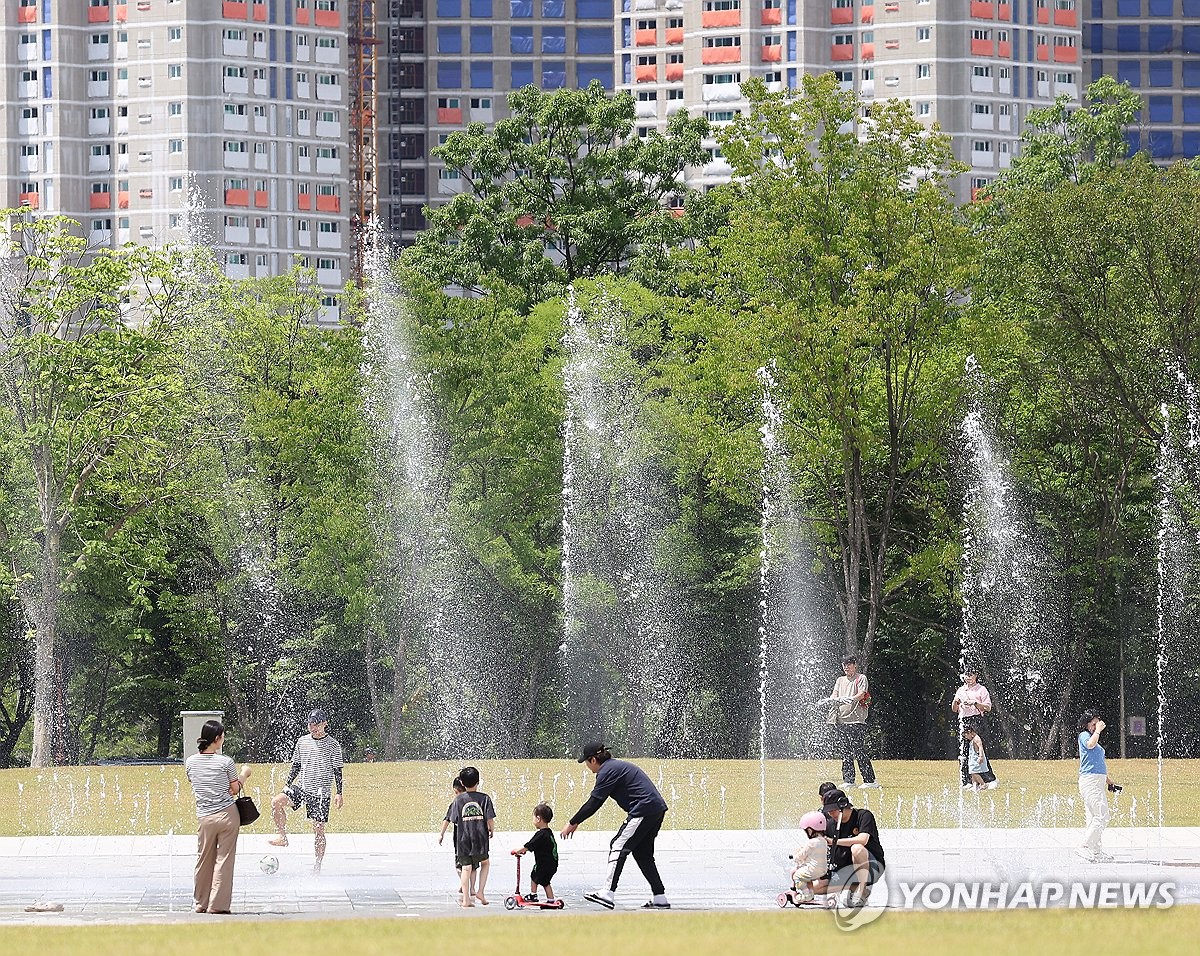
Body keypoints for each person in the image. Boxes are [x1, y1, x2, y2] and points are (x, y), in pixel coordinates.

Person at [561, 741, 671, 911]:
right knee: (643, 854)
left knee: (618, 845)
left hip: (644, 808)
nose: (587, 767)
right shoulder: (614, 766)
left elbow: (594, 803)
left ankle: (607, 893)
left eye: (586, 763)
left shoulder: (606, 771)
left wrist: (572, 822)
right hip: (655, 809)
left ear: (593, 760)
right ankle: (660, 897)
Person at [184, 719, 251, 915]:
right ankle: (218, 905)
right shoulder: (226, 762)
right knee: (224, 860)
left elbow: (195, 782)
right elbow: (234, 789)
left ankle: (200, 903)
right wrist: (245, 774)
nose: (223, 739)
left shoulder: (190, 762)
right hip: (228, 815)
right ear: (216, 739)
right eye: (222, 736)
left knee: (203, 859)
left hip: (205, 817)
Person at [269, 708, 345, 874]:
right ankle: (282, 836)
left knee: (318, 829)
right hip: (302, 787)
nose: (313, 727)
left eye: (316, 724)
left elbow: (338, 770)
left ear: (325, 723)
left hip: (320, 793)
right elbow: (296, 765)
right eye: (310, 724)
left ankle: (317, 865)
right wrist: (288, 783)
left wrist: (339, 793)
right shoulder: (302, 742)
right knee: (276, 802)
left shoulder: (333, 745)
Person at [812, 788, 885, 910]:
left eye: (833, 811)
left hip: (872, 866)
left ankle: (861, 893)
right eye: (828, 812)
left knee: (857, 849)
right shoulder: (831, 825)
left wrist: (834, 842)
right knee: (814, 887)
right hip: (846, 868)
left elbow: (863, 839)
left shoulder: (863, 816)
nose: (830, 814)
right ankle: (853, 887)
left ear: (843, 805)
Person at [826, 655, 878, 789]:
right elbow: (835, 694)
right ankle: (849, 780)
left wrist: (850, 699)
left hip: (856, 720)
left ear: (855, 665)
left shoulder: (861, 678)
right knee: (845, 751)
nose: (846, 667)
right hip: (842, 720)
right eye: (844, 665)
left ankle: (870, 781)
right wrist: (832, 700)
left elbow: (861, 694)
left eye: (849, 664)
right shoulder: (840, 680)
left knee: (859, 750)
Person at [448, 765, 496, 907]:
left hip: (463, 839)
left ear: (462, 783)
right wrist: (491, 830)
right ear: (478, 781)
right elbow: (490, 819)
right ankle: (480, 891)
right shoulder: (485, 798)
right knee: (485, 863)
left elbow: (454, 819)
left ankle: (466, 900)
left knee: (466, 868)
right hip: (480, 838)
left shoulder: (458, 800)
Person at [1076, 709, 1118, 863]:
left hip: (1097, 781)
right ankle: (1084, 846)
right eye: (1093, 724)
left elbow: (1097, 765)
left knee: (1094, 818)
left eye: (1097, 724)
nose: (1096, 726)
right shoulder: (1084, 736)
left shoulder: (1094, 739)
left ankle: (1097, 853)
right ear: (1087, 724)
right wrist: (1098, 731)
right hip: (1090, 782)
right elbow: (1090, 745)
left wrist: (1109, 782)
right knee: (1102, 816)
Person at [952, 668, 995, 788]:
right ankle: (967, 781)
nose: (968, 678)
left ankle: (988, 779)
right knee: (964, 751)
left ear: (976, 675)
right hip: (964, 720)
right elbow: (955, 709)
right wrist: (956, 702)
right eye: (966, 675)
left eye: (971, 675)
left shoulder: (981, 689)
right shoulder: (961, 690)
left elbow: (988, 707)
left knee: (978, 749)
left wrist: (975, 703)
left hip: (976, 720)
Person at [512, 803, 559, 903]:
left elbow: (529, 845)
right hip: (553, 864)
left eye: (533, 817)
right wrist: (526, 850)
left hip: (543, 864)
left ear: (538, 819)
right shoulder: (549, 833)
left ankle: (533, 895)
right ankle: (551, 899)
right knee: (545, 882)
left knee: (534, 876)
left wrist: (518, 851)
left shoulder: (540, 834)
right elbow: (537, 846)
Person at [438, 777, 474, 900]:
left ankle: (465, 883)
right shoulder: (474, 802)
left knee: (460, 865)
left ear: (456, 791)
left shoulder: (456, 803)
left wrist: (441, 834)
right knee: (473, 864)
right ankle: (472, 887)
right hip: (475, 838)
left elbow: (447, 819)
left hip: (461, 839)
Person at [789, 811, 831, 904]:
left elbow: (803, 854)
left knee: (797, 876)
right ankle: (810, 894)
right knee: (807, 878)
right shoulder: (823, 840)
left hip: (813, 869)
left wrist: (795, 857)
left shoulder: (811, 842)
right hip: (822, 869)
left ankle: (805, 895)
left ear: (810, 829)